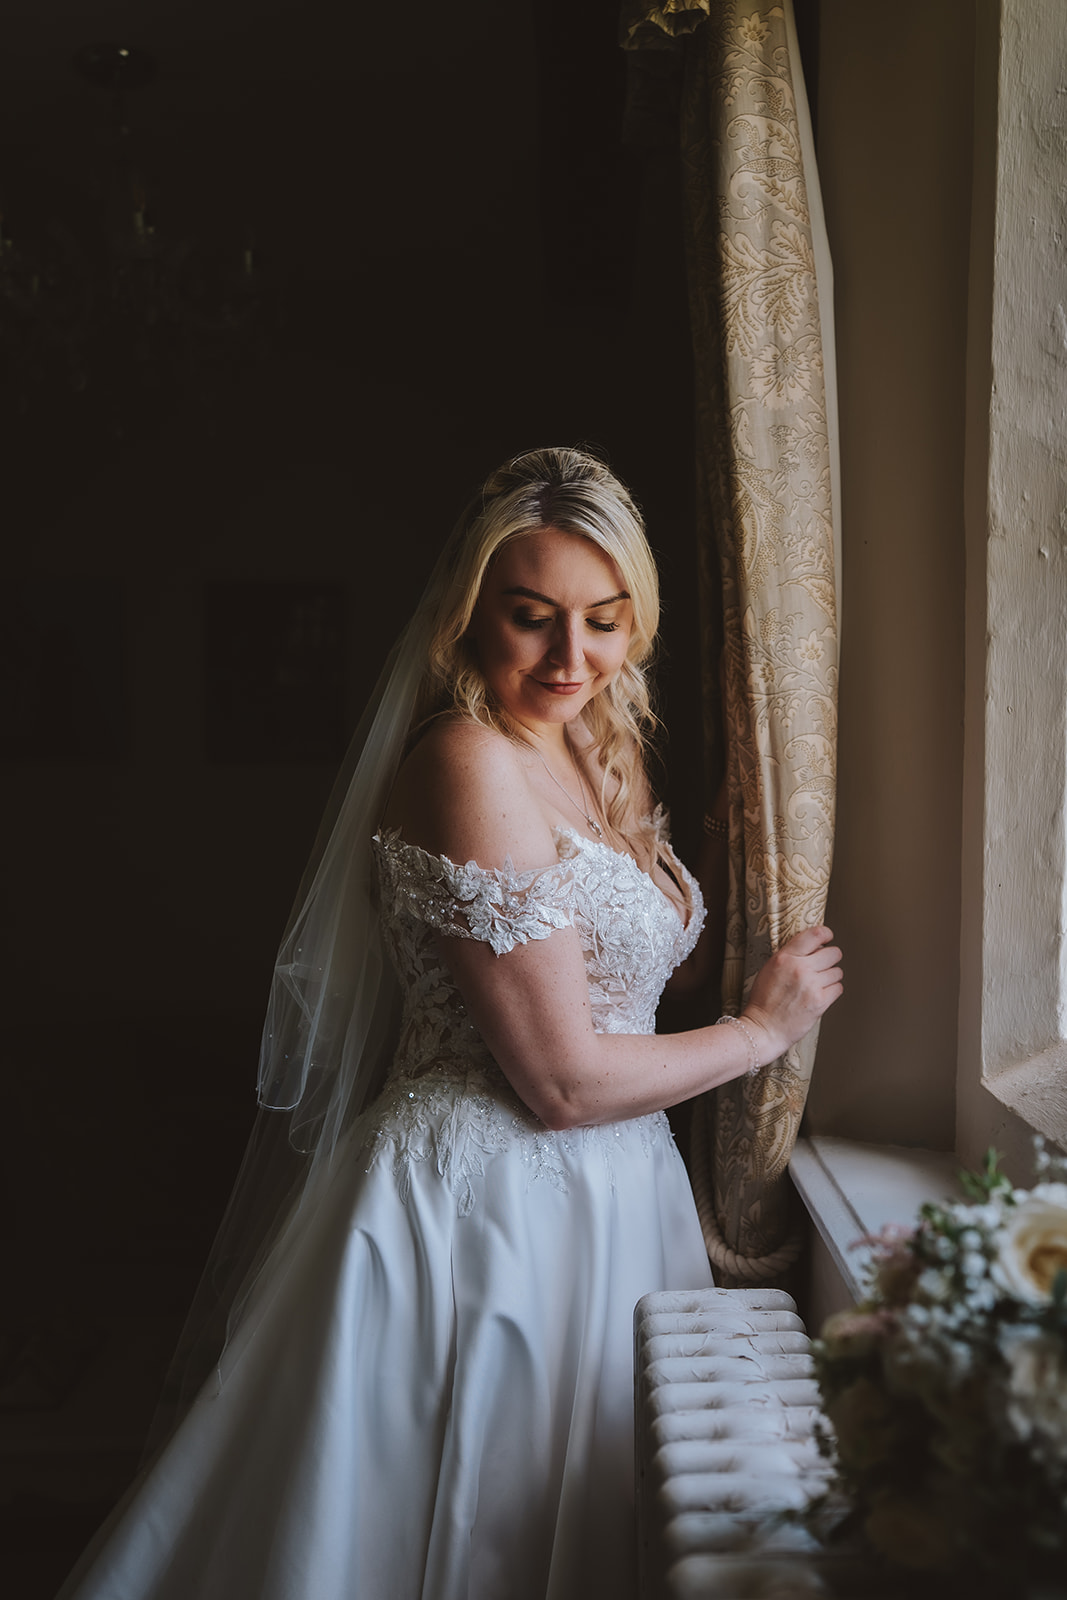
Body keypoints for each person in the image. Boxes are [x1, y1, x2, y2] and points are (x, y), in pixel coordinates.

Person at [58, 447, 842, 1600]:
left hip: (618, 1189)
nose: (569, 658)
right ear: (468, 611)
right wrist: (759, 1034)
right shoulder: (467, 760)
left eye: (601, 620)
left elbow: (609, 987)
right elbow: (558, 1081)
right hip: (491, 1209)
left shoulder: (593, 741)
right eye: (530, 617)